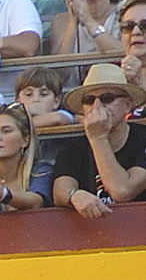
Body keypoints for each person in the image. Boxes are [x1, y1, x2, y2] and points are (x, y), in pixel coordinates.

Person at [52, 63, 146, 217]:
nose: (97, 106)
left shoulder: (142, 138)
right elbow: (60, 189)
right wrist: (74, 195)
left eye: (107, 98)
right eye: (89, 100)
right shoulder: (73, 147)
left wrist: (98, 137)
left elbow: (122, 191)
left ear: (128, 105)